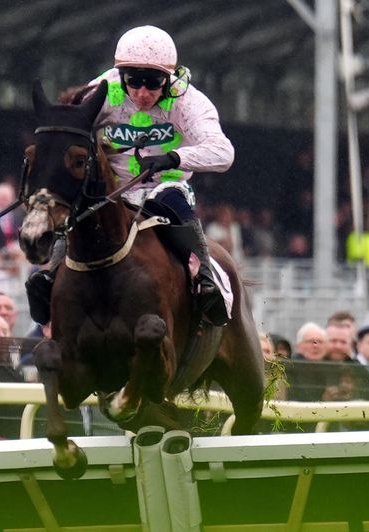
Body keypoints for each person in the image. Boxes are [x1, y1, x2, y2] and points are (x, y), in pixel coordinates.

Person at [25, 25, 233, 327]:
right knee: (75, 209)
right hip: (112, 188)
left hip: (165, 184)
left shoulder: (189, 101)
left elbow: (224, 153)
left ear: (169, 78)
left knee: (174, 201)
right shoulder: (100, 92)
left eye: (153, 83)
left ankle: (204, 279)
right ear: (120, 75)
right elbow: (67, 135)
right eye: (133, 82)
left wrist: (174, 157)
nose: (142, 93)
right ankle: (50, 274)